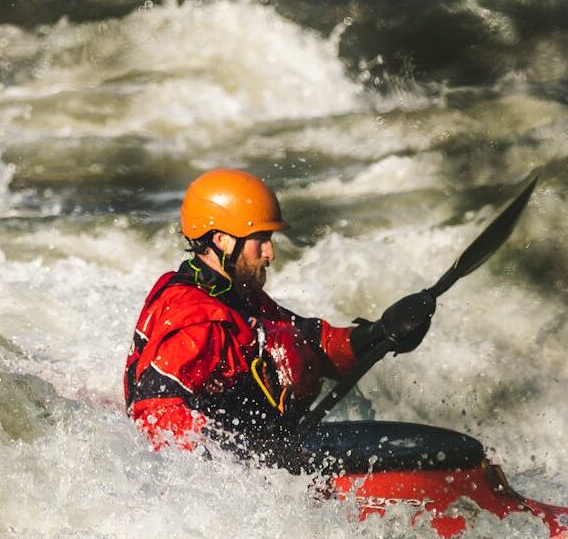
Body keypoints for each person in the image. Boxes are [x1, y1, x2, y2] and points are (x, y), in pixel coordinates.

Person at [124, 168, 435, 465]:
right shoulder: (199, 321)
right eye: (261, 240)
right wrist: (242, 462)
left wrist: (381, 335)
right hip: (230, 479)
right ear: (222, 241)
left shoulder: (233, 296)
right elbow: (154, 414)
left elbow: (314, 341)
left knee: (288, 346)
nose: (270, 253)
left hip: (265, 452)